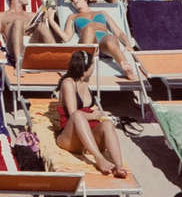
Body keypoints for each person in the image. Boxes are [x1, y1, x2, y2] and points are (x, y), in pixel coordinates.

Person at [54, 49, 128, 177]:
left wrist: (100, 115)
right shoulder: (68, 83)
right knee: (77, 115)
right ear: (85, 69)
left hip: (87, 136)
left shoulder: (85, 81)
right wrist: (95, 115)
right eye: (93, 64)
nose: (94, 67)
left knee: (107, 124)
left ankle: (119, 166)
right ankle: (99, 159)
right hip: (69, 137)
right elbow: (73, 114)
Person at [47, 0, 136, 79]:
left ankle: (126, 67)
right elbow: (66, 37)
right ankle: (83, 66)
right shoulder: (72, 17)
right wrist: (51, 21)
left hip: (104, 44)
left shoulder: (102, 13)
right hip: (88, 43)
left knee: (110, 38)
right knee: (89, 29)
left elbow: (118, 32)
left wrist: (128, 44)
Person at [0, 0, 54, 68]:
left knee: (41, 25)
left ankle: (56, 58)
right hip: (12, 47)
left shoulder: (32, 15)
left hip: (31, 46)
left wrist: (47, 16)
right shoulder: (1, 15)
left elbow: (41, 34)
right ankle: (19, 63)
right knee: (18, 22)